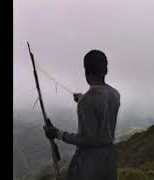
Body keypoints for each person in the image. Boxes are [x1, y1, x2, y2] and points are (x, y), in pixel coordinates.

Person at [44, 50, 120, 180]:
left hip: (90, 164)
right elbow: (100, 104)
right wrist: (83, 99)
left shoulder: (87, 101)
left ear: (86, 73)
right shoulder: (115, 94)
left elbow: (85, 140)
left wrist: (57, 133)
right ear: (105, 70)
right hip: (109, 161)